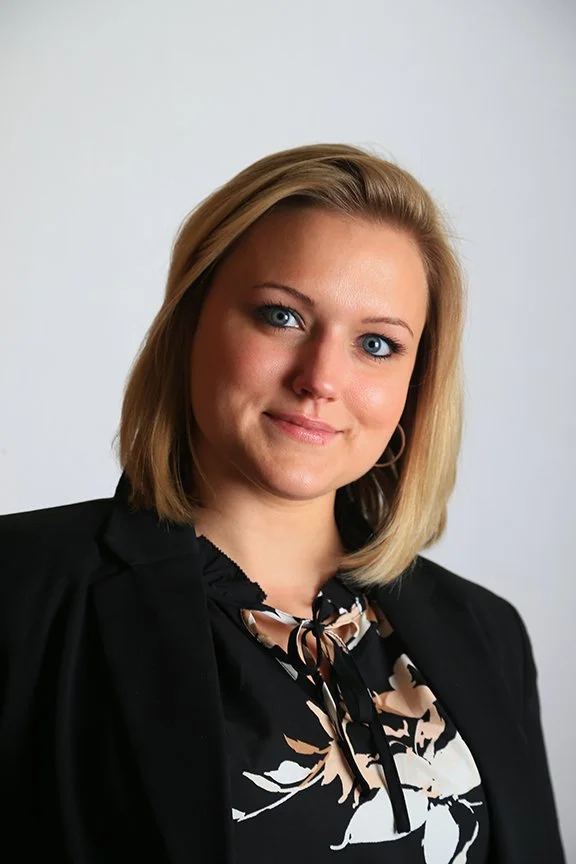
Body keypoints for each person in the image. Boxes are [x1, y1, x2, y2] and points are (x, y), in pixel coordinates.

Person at [0, 143, 565, 864]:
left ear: (416, 386)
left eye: (377, 344)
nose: (320, 378)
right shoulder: (19, 589)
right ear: (191, 323)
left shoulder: (489, 633)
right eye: (282, 316)